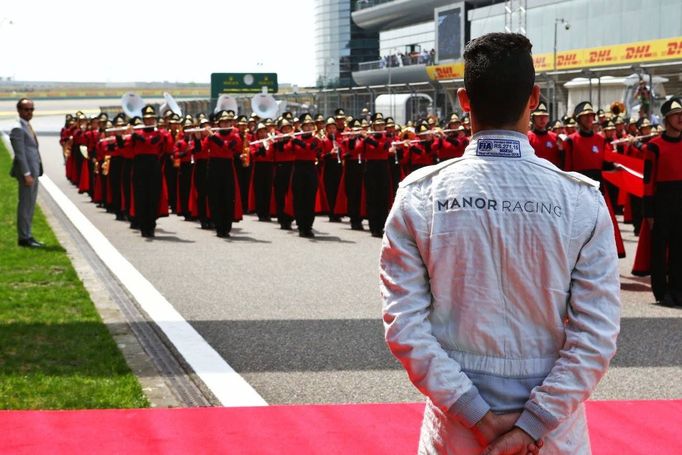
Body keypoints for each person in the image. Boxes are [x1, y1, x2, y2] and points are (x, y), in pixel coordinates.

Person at [380, 33, 621, 454]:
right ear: (534, 98)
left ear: (463, 100)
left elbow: (405, 327)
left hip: (457, 430)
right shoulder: (581, 198)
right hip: (553, 433)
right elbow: (596, 335)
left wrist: (479, 416)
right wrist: (531, 426)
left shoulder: (419, 194)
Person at [642, 96, 682, 306]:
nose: (680, 118)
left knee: (679, 248)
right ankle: (661, 291)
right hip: (662, 201)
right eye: (676, 115)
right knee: (659, 249)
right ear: (667, 119)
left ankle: (678, 289)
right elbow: (648, 180)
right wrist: (648, 212)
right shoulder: (654, 146)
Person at [10, 98, 44, 248]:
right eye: (26, 109)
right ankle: (24, 238)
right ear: (19, 110)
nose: (29, 112)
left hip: (33, 171)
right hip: (27, 173)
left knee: (30, 205)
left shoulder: (27, 126)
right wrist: (26, 174)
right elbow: (20, 154)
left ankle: (28, 235)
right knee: (25, 205)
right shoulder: (18, 128)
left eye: (31, 109)